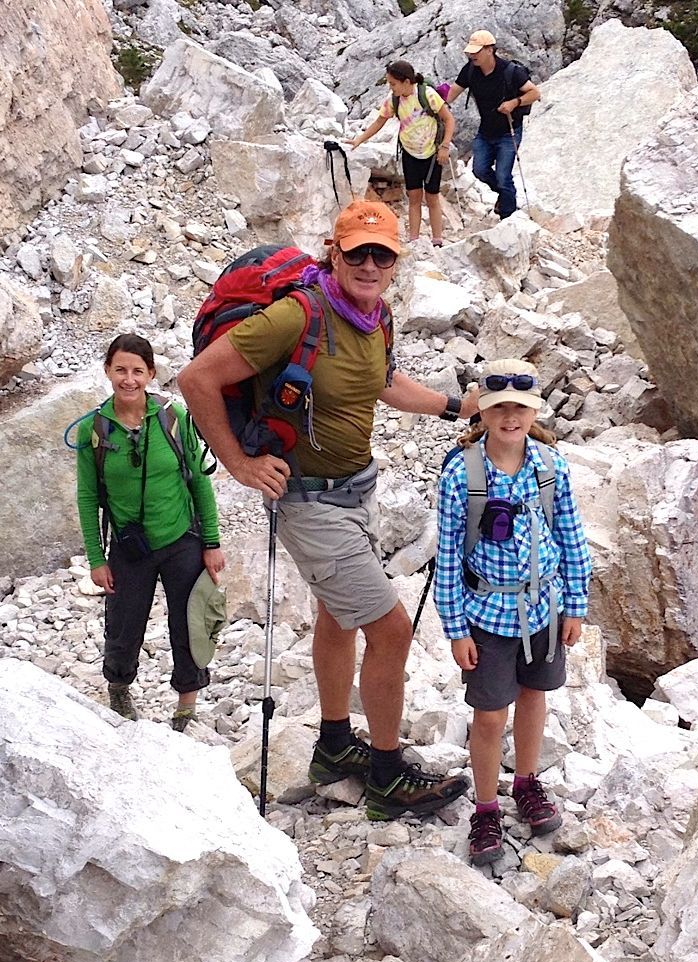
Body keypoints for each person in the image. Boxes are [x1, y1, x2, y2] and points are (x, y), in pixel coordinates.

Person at [178, 199, 479, 821]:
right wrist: (239, 465)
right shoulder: (297, 316)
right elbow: (196, 379)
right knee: (392, 629)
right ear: (334, 252)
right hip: (310, 503)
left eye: (384, 254)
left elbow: (385, 384)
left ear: (396, 262)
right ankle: (388, 778)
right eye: (358, 252)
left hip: (356, 492)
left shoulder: (374, 317)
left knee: (339, 618)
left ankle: (336, 746)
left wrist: (455, 408)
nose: (371, 264)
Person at [433, 358, 592, 866]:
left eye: (519, 408)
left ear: (532, 411)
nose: (509, 417)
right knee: (489, 714)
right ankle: (485, 808)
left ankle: (526, 782)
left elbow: (570, 537)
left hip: (543, 608)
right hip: (488, 614)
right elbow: (450, 556)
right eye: (498, 407)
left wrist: (575, 605)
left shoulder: (551, 465)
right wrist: (456, 630)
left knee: (534, 697)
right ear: (481, 411)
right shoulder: (462, 473)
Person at [75, 333, 225, 731]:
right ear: (107, 371)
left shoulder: (172, 418)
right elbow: (88, 498)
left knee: (190, 622)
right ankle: (119, 689)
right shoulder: (94, 430)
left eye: (137, 371)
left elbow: (199, 482)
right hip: (128, 545)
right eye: (120, 370)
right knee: (124, 624)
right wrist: (95, 558)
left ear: (151, 374)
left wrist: (211, 542)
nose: (129, 379)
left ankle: (186, 707)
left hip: (182, 541)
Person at [344, 61, 454, 247]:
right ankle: (414, 239)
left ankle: (437, 240)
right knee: (414, 196)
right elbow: (380, 121)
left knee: (432, 196)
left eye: (393, 84)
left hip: (432, 153)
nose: (390, 87)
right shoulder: (394, 100)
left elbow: (449, 119)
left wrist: (444, 147)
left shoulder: (427, 95)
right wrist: (359, 140)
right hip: (410, 153)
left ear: (405, 82)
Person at [445, 30, 540, 219]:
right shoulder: (470, 70)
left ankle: (508, 215)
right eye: (470, 52)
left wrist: (514, 103)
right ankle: (506, 198)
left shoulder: (510, 72)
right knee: (479, 170)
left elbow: (534, 93)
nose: (472, 56)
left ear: (490, 50)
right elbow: (454, 90)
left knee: (503, 176)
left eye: (476, 52)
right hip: (486, 131)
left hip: (508, 130)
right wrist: (438, 106)